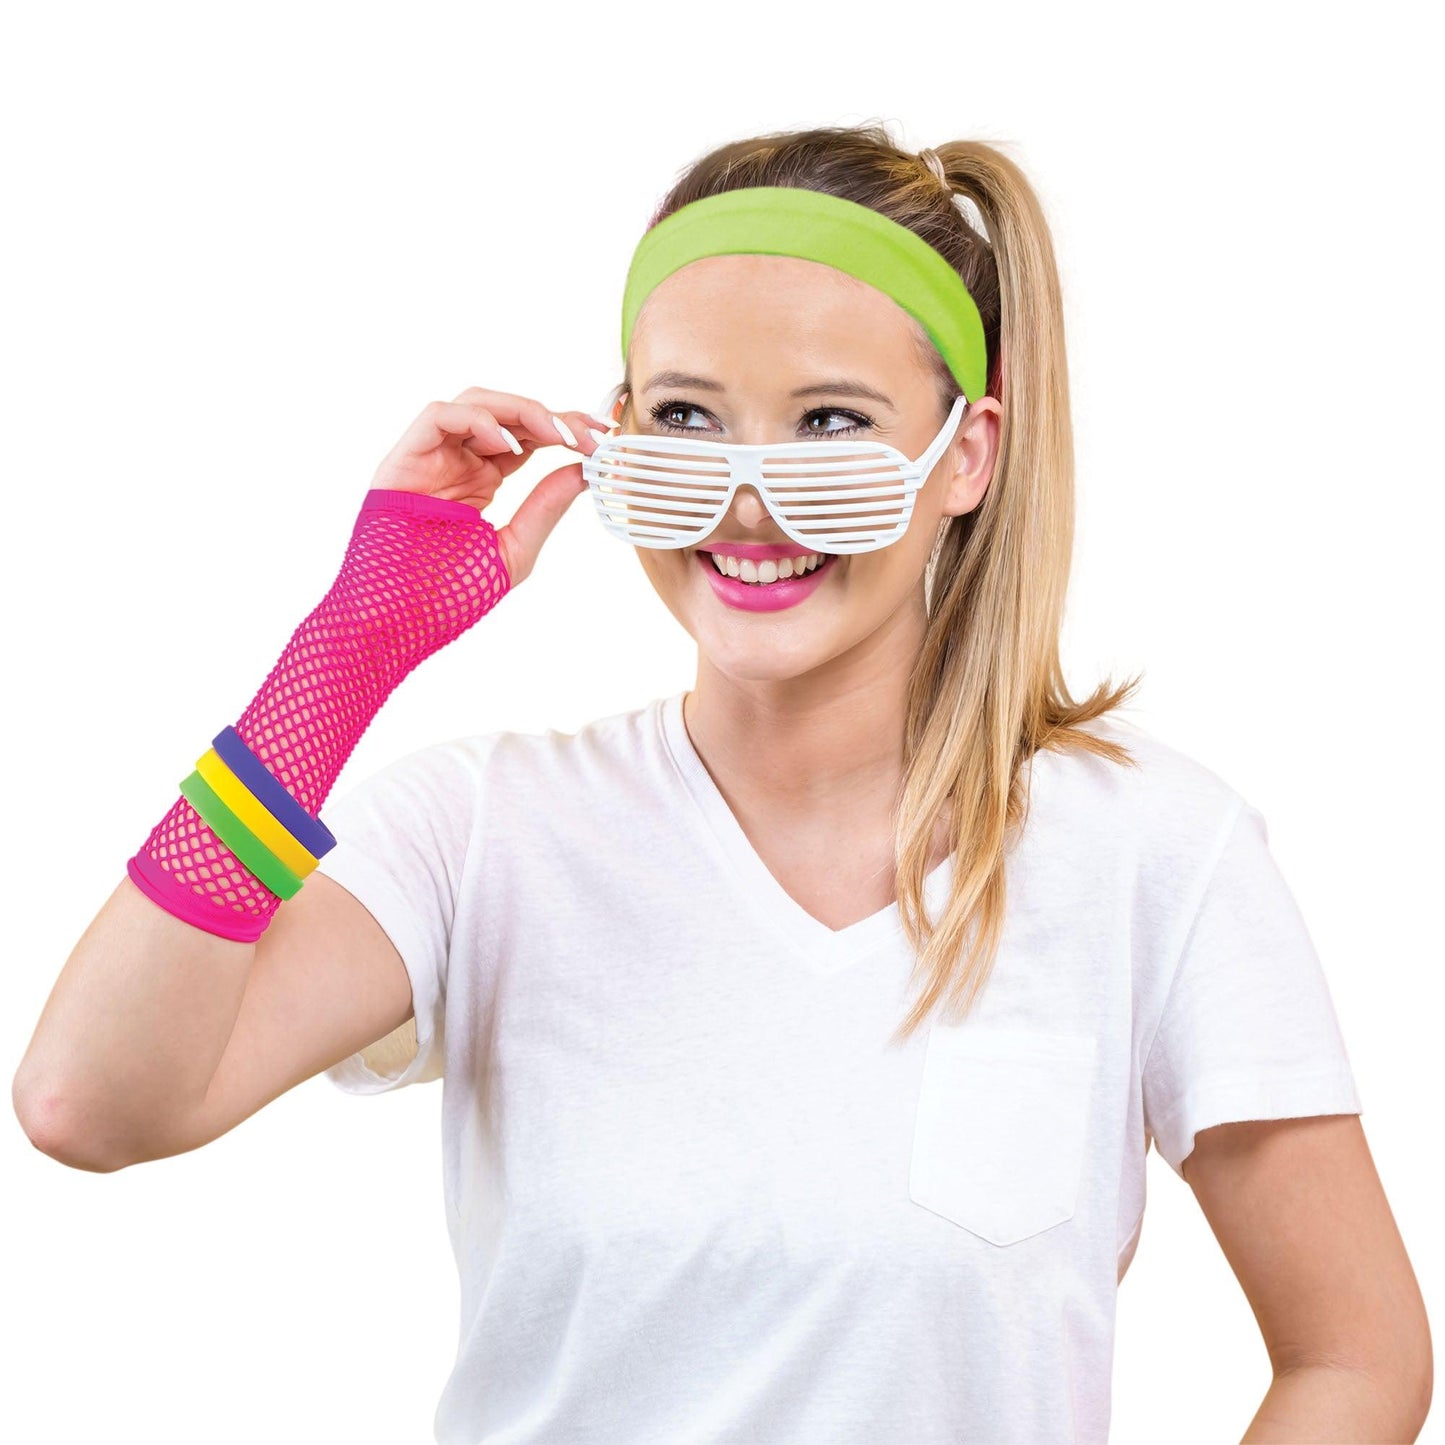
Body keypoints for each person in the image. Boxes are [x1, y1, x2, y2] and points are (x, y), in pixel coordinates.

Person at [14, 123, 1431, 1444]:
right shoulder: (483, 832)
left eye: (830, 424)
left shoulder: (1152, 852)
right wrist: (343, 654)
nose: (747, 500)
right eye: (687, 417)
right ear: (617, 433)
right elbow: (90, 1104)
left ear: (966, 456)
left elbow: (1355, 1352)